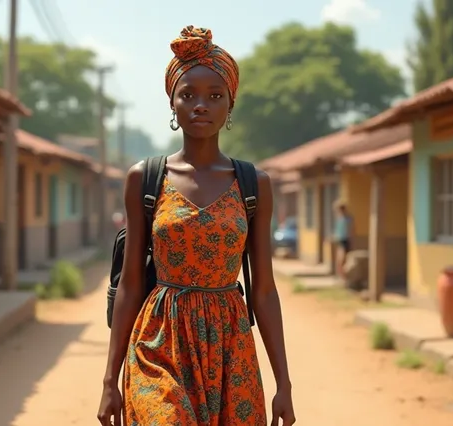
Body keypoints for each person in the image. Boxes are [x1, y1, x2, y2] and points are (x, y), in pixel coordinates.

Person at [98, 26, 295, 426]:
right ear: (172, 103)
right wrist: (108, 380)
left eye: (214, 95)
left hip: (229, 345)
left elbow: (266, 291)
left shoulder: (254, 184)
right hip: (159, 339)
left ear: (230, 105)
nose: (200, 105)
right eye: (187, 94)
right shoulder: (146, 179)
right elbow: (131, 282)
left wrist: (284, 385)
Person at [334, 202, 354, 279]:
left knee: (343, 259)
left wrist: (351, 240)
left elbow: (351, 230)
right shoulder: (339, 218)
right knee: (339, 259)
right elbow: (338, 230)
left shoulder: (348, 219)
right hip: (340, 239)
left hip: (345, 239)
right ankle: (340, 275)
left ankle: (344, 276)